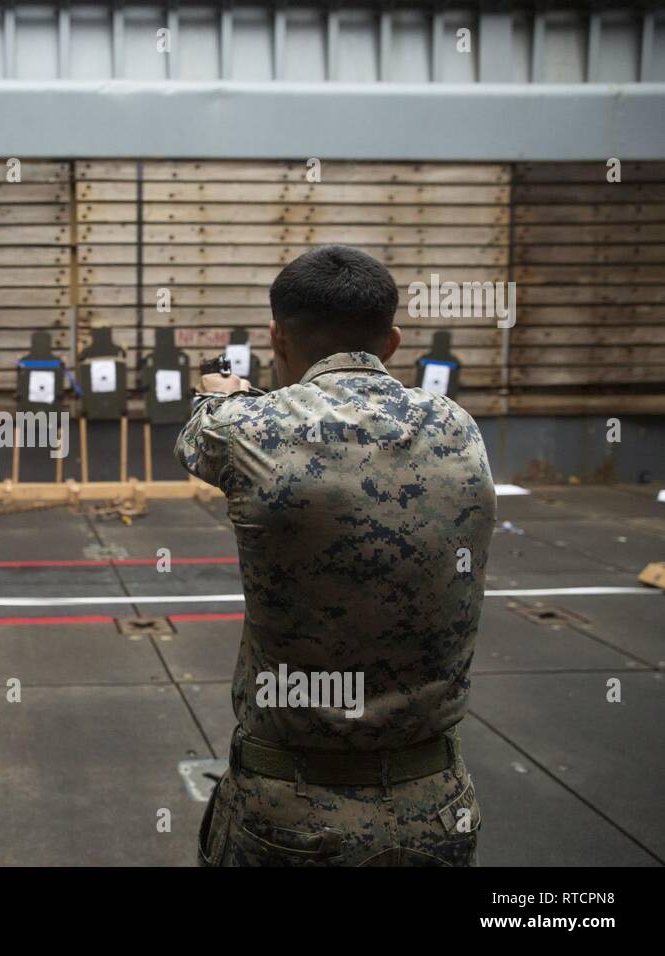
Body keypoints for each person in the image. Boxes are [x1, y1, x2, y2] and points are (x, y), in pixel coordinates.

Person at [177, 245, 495, 866]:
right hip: (435, 805)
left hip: (289, 811)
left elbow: (201, 435)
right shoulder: (458, 424)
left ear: (276, 337)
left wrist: (226, 393)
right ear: (394, 342)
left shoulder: (249, 428)